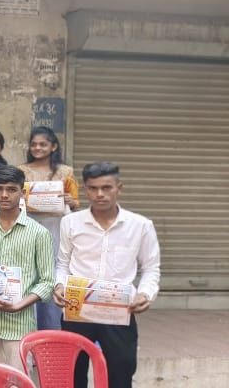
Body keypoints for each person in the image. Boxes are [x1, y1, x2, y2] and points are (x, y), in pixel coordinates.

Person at [54, 162, 160, 388]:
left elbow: (151, 267)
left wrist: (145, 294)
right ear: (85, 189)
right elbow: (62, 264)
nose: (99, 194)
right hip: (77, 310)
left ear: (119, 188)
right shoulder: (70, 222)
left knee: (120, 374)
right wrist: (59, 285)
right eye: (93, 188)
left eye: (106, 187)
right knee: (72, 375)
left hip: (119, 311)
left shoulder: (140, 225)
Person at [0, 166, 55, 371]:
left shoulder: (39, 233)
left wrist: (19, 305)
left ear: (23, 192)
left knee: (19, 381)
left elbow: (47, 282)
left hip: (19, 324)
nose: (4, 195)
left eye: (11, 189)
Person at [18, 126, 80, 330]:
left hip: (56, 228)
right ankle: (28, 329)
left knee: (53, 272)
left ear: (53, 147)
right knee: (30, 272)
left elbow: (75, 203)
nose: (37, 148)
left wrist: (70, 200)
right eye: (34, 144)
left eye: (43, 144)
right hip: (28, 226)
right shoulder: (21, 171)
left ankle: (52, 330)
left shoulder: (65, 172)